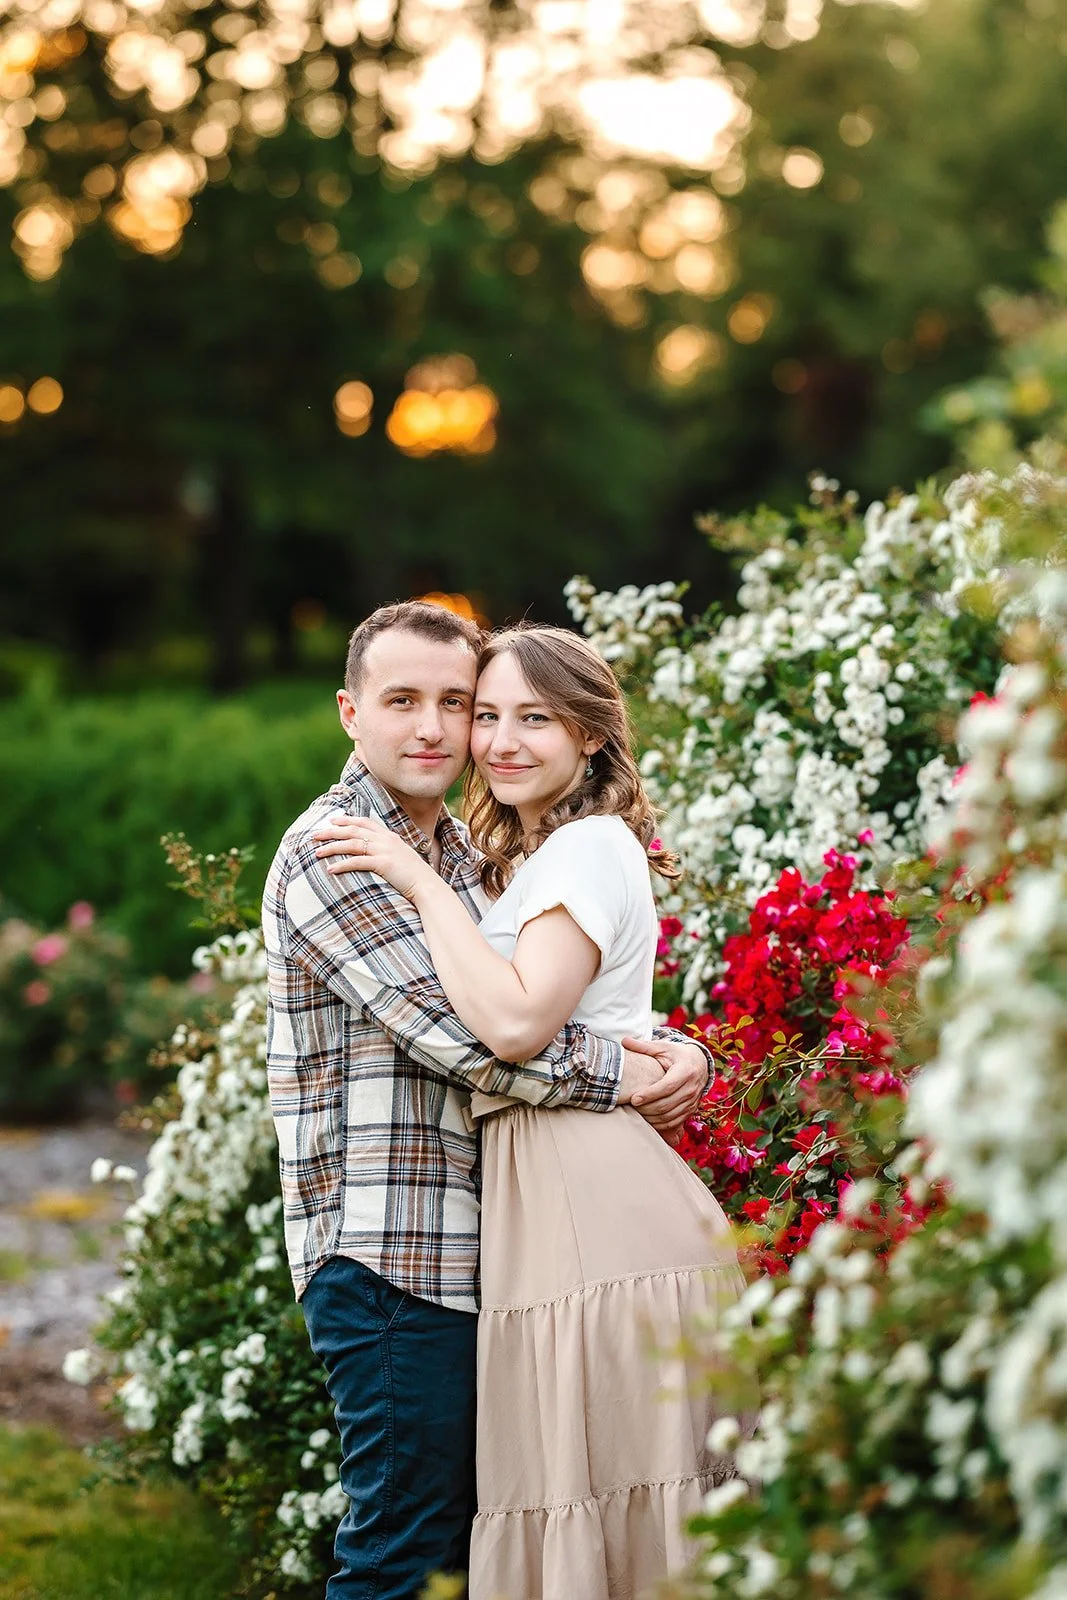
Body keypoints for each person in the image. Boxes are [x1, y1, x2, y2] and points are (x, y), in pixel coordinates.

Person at [261, 601, 714, 1600]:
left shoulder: (464, 858)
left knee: (490, 1539)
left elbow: (549, 996)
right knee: (404, 1542)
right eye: (401, 700)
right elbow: (474, 1041)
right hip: (390, 1254)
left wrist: (675, 1046)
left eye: (454, 702)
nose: (435, 727)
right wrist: (630, 1072)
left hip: (497, 1248)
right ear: (349, 712)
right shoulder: (334, 853)